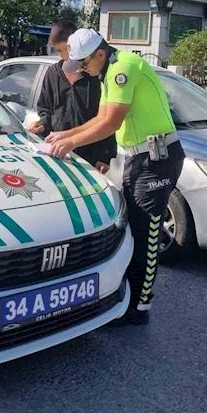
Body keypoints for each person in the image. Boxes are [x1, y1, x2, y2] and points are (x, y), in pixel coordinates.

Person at [46, 28, 185, 325]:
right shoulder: (108, 72)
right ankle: (128, 296)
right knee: (132, 229)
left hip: (157, 159)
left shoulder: (123, 67)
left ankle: (139, 308)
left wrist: (71, 144)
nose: (83, 70)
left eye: (84, 64)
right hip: (139, 158)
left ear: (99, 53)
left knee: (146, 233)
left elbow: (111, 122)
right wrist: (65, 134)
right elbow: (99, 117)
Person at [27, 21, 116, 173]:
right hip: (59, 153)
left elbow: (107, 119)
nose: (61, 55)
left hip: (91, 157)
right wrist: (42, 123)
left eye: (63, 50)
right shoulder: (52, 74)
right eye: (58, 51)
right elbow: (46, 109)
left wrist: (105, 157)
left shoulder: (97, 76)